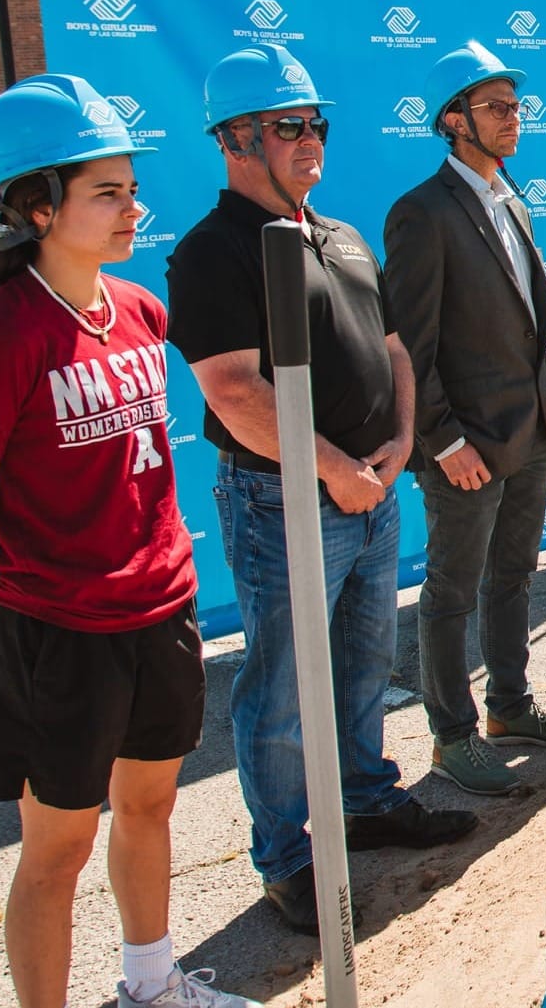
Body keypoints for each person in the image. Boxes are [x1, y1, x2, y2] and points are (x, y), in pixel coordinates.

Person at [0, 77, 254, 1008]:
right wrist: (8, 630)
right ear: (37, 205)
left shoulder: (143, 311)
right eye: (106, 192)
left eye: (130, 188)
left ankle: (153, 984)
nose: (132, 208)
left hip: (161, 611)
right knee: (55, 849)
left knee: (150, 806)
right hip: (57, 634)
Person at [167, 45, 474, 937]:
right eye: (288, 126)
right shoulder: (213, 251)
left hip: (371, 490)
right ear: (233, 139)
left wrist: (402, 441)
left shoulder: (338, 234)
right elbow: (230, 389)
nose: (312, 141)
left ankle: (366, 799)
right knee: (281, 685)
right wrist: (336, 469)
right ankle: (287, 856)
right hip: (283, 501)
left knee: (363, 660)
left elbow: (392, 351)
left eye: (316, 125)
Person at [382, 42, 546, 796]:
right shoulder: (422, 213)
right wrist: (445, 438)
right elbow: (408, 344)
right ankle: (452, 734)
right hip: (468, 441)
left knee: (515, 574)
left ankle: (510, 706)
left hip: (528, 429)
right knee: (452, 588)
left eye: (515, 106)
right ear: (452, 120)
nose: (512, 118)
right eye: (495, 107)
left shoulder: (511, 197)